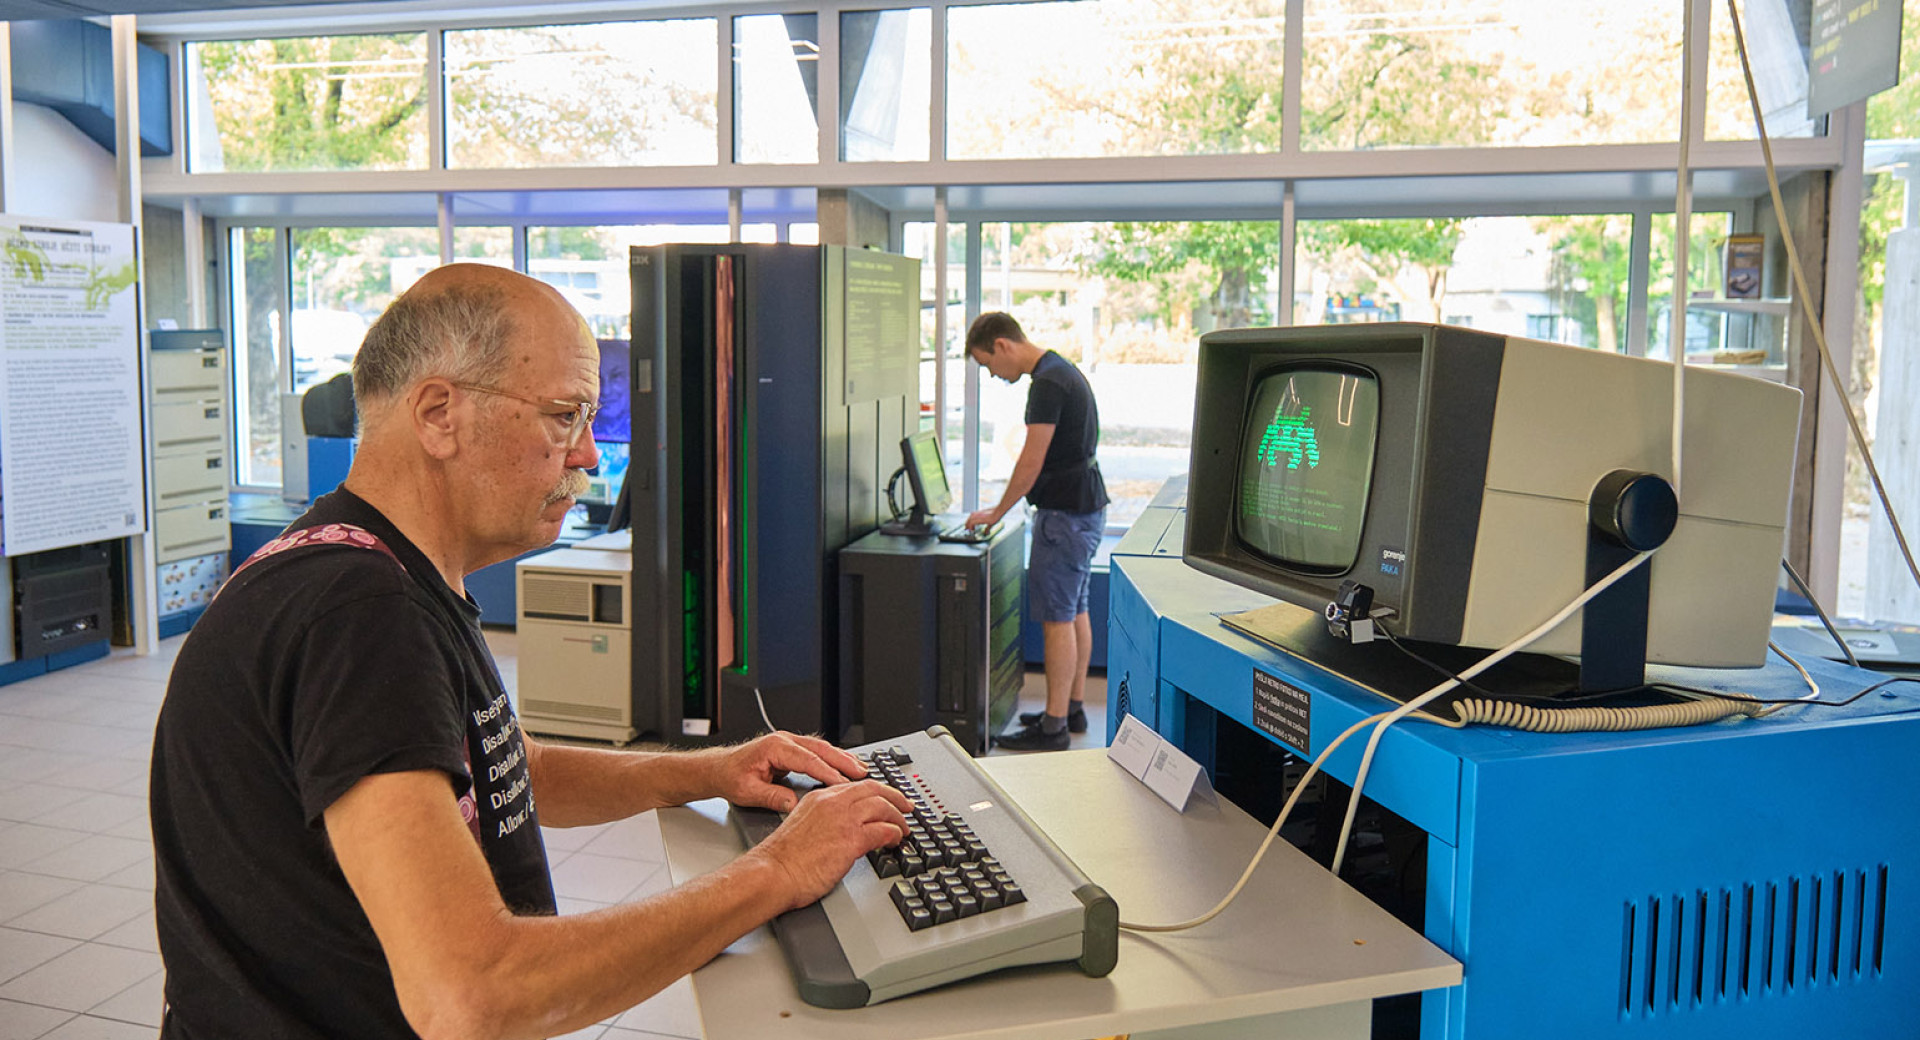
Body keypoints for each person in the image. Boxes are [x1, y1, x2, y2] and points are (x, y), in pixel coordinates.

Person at [149, 264, 913, 1040]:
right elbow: (472, 994)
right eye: (562, 416)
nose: (585, 454)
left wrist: (706, 771)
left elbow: (505, 769)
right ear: (439, 413)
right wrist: (776, 872)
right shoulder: (358, 615)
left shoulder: (366, 567)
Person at [963, 312, 1109, 752]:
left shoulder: (1046, 384)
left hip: (1064, 517)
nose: (993, 374)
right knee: (1075, 608)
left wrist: (996, 512)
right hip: (1085, 510)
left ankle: (1054, 726)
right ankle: (1073, 707)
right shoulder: (1062, 370)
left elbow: (1032, 459)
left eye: (988, 364)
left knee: (1057, 619)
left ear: (1003, 345)